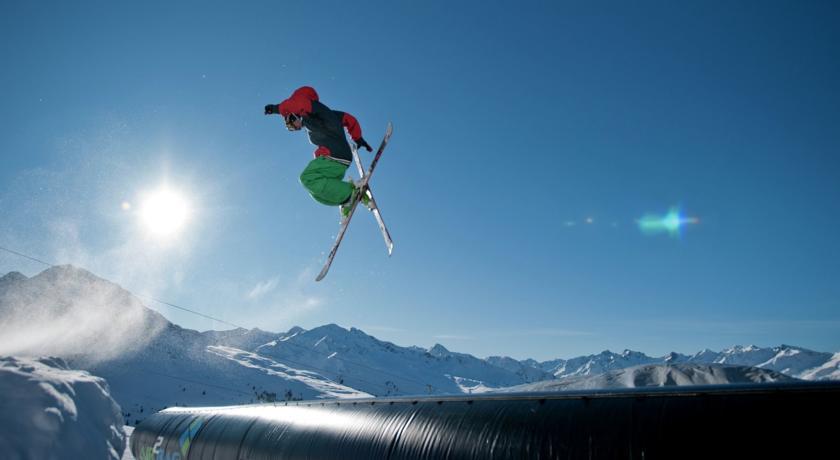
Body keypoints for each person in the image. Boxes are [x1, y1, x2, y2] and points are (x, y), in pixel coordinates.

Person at [265, 86, 372, 219]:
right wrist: (358, 137)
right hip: (338, 162)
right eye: (290, 127)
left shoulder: (313, 110)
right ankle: (346, 200)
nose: (293, 126)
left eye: (291, 121)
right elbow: (348, 118)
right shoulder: (322, 117)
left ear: (297, 112)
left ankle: (352, 193)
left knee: (307, 178)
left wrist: (276, 109)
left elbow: (298, 103)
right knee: (316, 192)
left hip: (334, 155)